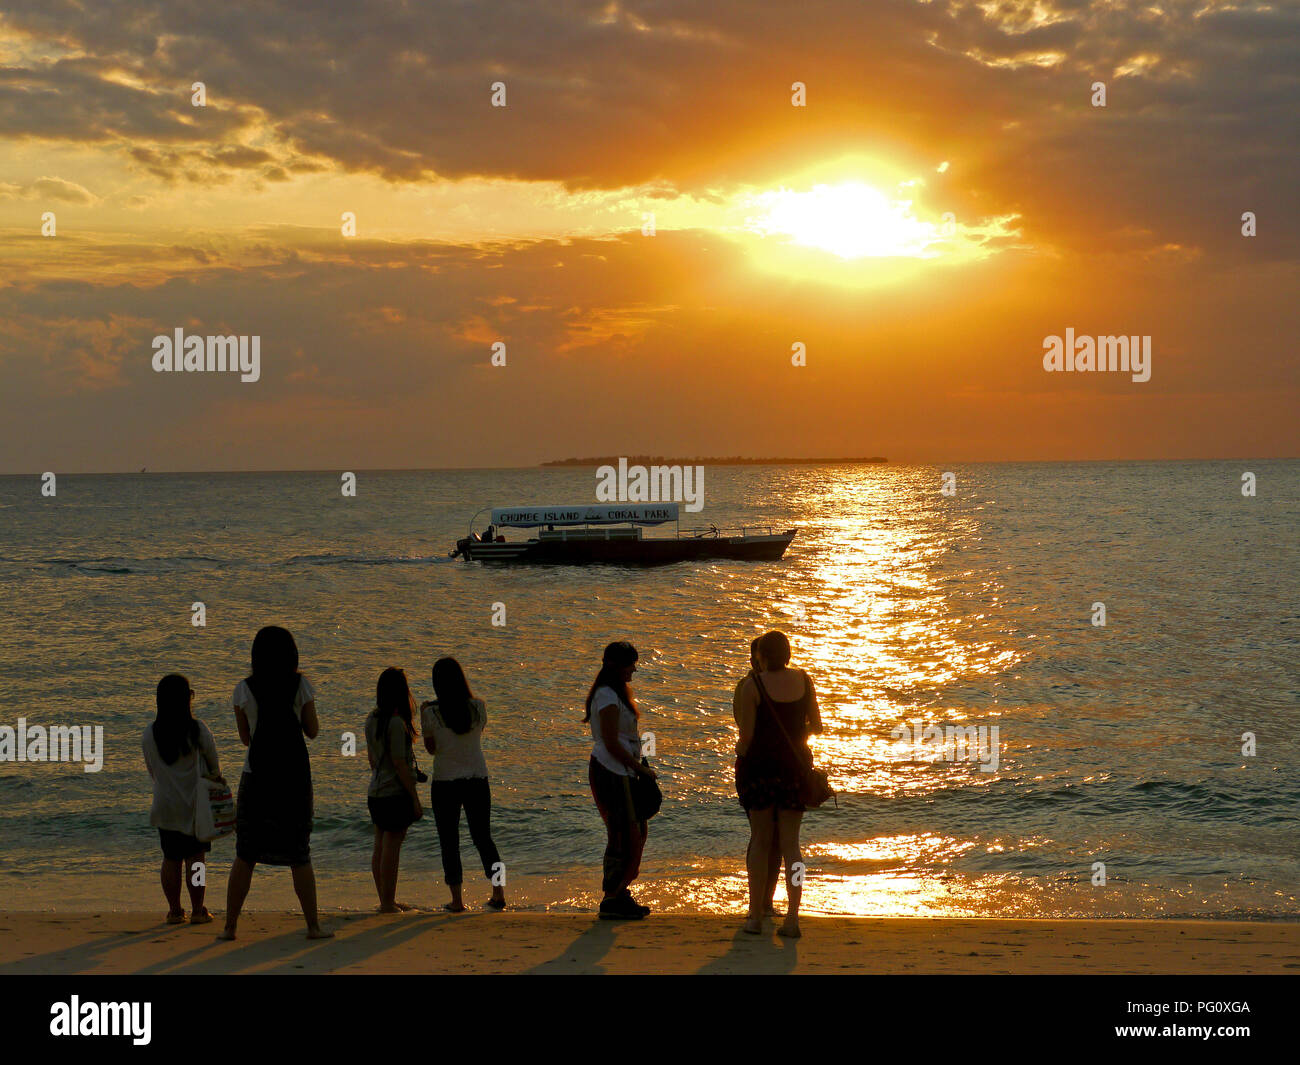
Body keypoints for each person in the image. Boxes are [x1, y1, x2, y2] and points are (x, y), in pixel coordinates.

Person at [218, 625, 332, 940]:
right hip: (294, 777)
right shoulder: (301, 685)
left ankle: (230, 927)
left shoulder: (243, 689)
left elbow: (245, 739)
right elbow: (313, 730)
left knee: (245, 853)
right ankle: (313, 925)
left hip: (256, 777)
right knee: (299, 852)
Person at [735, 630, 822, 938]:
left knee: (760, 842)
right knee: (791, 847)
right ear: (788, 653)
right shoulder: (805, 680)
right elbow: (818, 726)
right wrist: (795, 737)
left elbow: (746, 738)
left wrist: (741, 754)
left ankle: (755, 916)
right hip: (794, 770)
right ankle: (793, 919)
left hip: (759, 770)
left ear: (762, 656)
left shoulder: (752, 685)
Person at [420, 657, 505, 912]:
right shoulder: (479, 707)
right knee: (484, 838)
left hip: (445, 781)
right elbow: (475, 735)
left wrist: (426, 714)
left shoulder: (430, 712)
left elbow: (431, 749)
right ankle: (498, 893)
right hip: (477, 778)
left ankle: (457, 900)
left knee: (449, 840)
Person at [585, 640, 656, 919]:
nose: (634, 670)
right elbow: (612, 742)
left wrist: (636, 767)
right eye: (630, 664)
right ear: (616, 666)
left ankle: (620, 891)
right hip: (610, 769)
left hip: (621, 769)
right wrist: (641, 770)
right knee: (624, 833)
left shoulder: (615, 693)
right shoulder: (606, 696)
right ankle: (612, 896)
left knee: (635, 831)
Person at [142, 674, 220, 925]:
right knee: (196, 859)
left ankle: (175, 910)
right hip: (195, 806)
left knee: (171, 858)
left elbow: (152, 771)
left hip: (166, 805)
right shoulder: (198, 730)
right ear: (188, 699)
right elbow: (213, 766)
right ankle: (198, 909)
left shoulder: (150, 734)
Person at [367, 668, 423, 913]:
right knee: (391, 847)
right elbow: (400, 764)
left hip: (376, 791)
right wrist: (415, 798)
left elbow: (372, 759)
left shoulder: (372, 719)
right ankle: (388, 902)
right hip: (394, 793)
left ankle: (385, 900)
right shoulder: (397, 724)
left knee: (380, 845)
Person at [732, 639, 781, 919]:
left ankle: (766, 901)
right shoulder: (746, 687)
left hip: (770, 765)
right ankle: (759, 901)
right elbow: (744, 726)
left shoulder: (776, 684)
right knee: (764, 835)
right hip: (757, 766)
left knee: (776, 838)